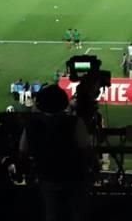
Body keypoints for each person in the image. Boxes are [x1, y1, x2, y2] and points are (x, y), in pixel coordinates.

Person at [19, 85, 96, 221]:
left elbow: (23, 152)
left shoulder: (31, 125)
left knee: (51, 213)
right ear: (64, 103)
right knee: (76, 212)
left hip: (46, 176)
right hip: (73, 176)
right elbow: (86, 150)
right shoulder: (75, 122)